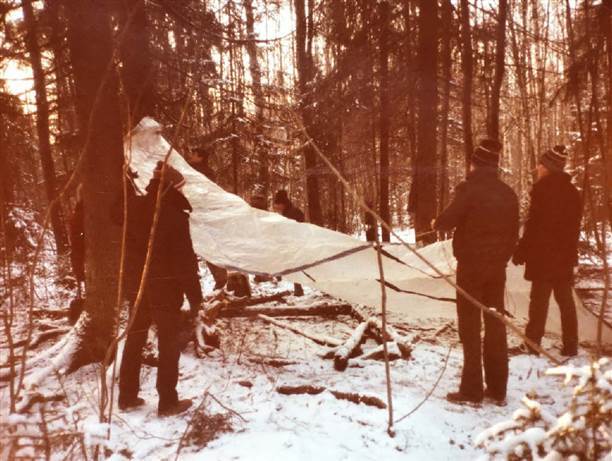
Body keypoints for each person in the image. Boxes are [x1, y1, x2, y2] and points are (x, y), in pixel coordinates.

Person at [433, 139, 519, 405]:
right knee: (495, 324)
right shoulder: (508, 194)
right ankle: (498, 388)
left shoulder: (468, 190)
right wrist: (501, 258)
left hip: (471, 268)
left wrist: (436, 222)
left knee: (470, 328)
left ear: (475, 163)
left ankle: (471, 391)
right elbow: (513, 234)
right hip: (496, 269)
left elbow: (447, 221)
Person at [119, 162, 203, 417]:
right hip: (165, 290)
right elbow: (185, 262)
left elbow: (114, 216)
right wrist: (196, 298)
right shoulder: (175, 216)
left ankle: (127, 396)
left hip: (137, 287)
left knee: (135, 338)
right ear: (171, 187)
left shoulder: (135, 206)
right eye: (180, 187)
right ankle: (167, 402)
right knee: (168, 343)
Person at [513, 145, 582, 357]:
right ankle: (571, 345)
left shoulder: (542, 190)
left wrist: (521, 251)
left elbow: (534, 226)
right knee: (566, 301)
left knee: (539, 302)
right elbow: (574, 228)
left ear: (550, 167)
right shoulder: (573, 193)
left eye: (541, 165)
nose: (538, 168)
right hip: (564, 256)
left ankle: (533, 344)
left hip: (543, 257)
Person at [273, 190, 305, 296]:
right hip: (289, 242)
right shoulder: (288, 211)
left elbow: (295, 227)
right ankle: (296, 287)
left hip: (293, 242)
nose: (277, 208)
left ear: (283, 204)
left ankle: (298, 288)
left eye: (278, 205)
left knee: (294, 264)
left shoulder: (291, 213)